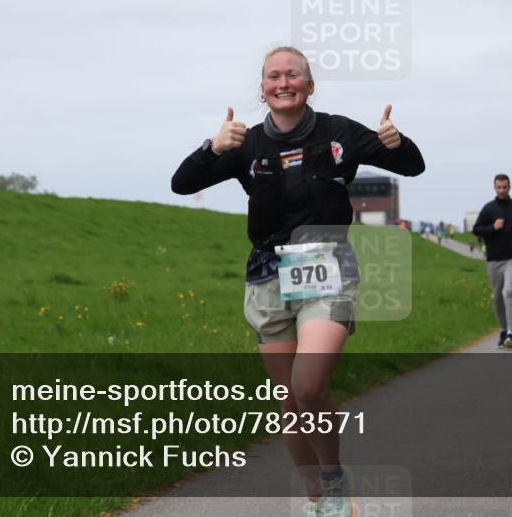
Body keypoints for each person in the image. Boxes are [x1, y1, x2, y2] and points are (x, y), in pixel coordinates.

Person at [171, 46, 425, 516]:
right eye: (273, 76)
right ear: (263, 87)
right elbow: (182, 184)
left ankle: (332, 480)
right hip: (266, 277)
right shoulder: (244, 142)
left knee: (309, 387)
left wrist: (397, 141)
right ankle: (317, 499)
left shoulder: (338, 132)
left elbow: (412, 165)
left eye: (293, 75)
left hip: (327, 268)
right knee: (291, 404)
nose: (283, 83)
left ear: (310, 85)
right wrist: (212, 147)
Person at [471, 174, 512, 349]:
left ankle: (511, 332)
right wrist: (493, 227)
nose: (501, 190)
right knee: (497, 297)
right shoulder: (488, 209)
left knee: (509, 291)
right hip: (493, 259)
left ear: (509, 187)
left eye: (504, 187)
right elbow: (476, 230)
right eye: (498, 187)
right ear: (494, 187)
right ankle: (503, 329)